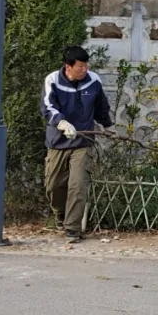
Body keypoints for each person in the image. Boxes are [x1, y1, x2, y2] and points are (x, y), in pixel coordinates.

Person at [39, 46, 113, 243]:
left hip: (83, 141)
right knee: (53, 186)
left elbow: (101, 106)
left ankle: (72, 229)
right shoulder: (52, 80)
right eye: (80, 66)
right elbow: (48, 106)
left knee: (78, 185)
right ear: (68, 67)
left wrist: (107, 125)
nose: (84, 69)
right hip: (58, 141)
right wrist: (61, 123)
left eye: (86, 65)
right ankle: (61, 215)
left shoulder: (93, 80)